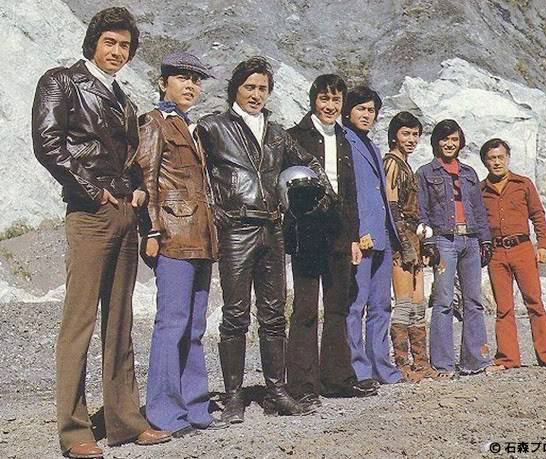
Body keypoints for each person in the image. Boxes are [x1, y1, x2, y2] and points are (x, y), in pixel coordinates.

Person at [31, 7, 170, 458]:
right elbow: (48, 144)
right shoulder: (62, 81)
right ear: (93, 43)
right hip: (89, 214)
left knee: (120, 321)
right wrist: (95, 191)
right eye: (110, 42)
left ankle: (125, 422)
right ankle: (74, 431)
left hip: (124, 213)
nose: (117, 51)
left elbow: (129, 157)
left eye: (125, 45)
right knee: (80, 322)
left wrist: (136, 189)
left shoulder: (124, 100)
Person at [195, 56, 332, 421]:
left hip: (273, 229)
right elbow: (196, 175)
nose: (256, 94)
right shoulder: (212, 127)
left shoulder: (276, 133)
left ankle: (276, 391)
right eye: (250, 87)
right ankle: (234, 395)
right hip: (236, 228)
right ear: (235, 89)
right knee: (235, 314)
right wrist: (214, 212)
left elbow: (310, 163)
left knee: (273, 314)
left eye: (263, 88)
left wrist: (317, 197)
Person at [136, 51, 228, 437]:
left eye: (196, 79)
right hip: (173, 236)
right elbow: (147, 178)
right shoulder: (153, 122)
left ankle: (195, 407)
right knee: (171, 323)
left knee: (194, 326)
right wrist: (152, 231)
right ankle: (164, 413)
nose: (191, 85)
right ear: (163, 83)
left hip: (201, 237)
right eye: (182, 78)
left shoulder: (192, 127)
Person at [285, 74, 362, 405]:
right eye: (324, 99)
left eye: (336, 100)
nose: (330, 106)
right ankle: (302, 384)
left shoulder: (344, 139)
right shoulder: (294, 136)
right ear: (313, 100)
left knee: (337, 307)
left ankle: (337, 379)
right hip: (307, 233)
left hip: (339, 232)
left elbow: (350, 192)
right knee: (305, 308)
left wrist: (354, 237)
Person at [415, 119, 493, 378]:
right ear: (436, 141)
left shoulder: (469, 173)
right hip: (443, 241)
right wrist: (428, 242)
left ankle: (475, 360)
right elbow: (422, 212)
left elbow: (479, 210)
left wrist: (485, 240)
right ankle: (443, 364)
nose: (450, 144)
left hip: (470, 240)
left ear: (460, 143)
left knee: (473, 301)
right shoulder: (425, 173)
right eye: (445, 139)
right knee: (443, 301)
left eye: (455, 139)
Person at [479, 138, 546, 372]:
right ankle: (508, 359)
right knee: (503, 307)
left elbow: (538, 215)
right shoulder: (480, 190)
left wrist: (543, 245)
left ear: (508, 158)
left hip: (522, 249)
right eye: (492, 158)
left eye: (501, 157)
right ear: (485, 162)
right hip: (496, 253)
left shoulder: (523, 184)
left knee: (534, 302)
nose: (497, 162)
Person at [342, 86, 403, 393]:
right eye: (361, 109)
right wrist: (352, 233)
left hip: (382, 232)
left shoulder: (373, 146)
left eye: (371, 110)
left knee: (381, 305)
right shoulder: (343, 141)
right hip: (361, 234)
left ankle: (381, 365)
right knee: (355, 305)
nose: (367, 115)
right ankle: (357, 368)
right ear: (348, 111)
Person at [383, 112, 438, 382]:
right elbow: (392, 207)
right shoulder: (392, 163)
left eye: (415, 134)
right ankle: (402, 364)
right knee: (404, 304)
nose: (412, 139)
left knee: (418, 304)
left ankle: (421, 363)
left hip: (413, 237)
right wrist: (403, 244)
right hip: (399, 239)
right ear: (395, 135)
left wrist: (421, 244)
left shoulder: (406, 164)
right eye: (406, 133)